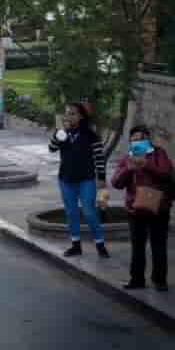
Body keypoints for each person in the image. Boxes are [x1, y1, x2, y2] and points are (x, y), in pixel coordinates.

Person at [112, 126, 175, 291]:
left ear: (148, 139)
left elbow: (166, 173)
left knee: (159, 245)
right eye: (135, 138)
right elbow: (116, 183)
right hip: (135, 208)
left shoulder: (158, 153)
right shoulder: (127, 158)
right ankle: (137, 279)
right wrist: (128, 169)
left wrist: (146, 164)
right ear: (131, 141)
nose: (138, 141)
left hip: (158, 207)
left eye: (142, 137)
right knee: (137, 246)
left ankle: (160, 281)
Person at [50, 102, 109, 258]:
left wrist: (102, 178)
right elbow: (51, 148)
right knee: (71, 213)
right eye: (67, 113)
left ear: (81, 116)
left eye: (73, 113)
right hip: (65, 179)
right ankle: (76, 245)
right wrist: (59, 133)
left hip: (86, 180)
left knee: (89, 212)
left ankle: (100, 244)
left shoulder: (90, 135)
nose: (69, 116)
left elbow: (99, 158)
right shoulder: (62, 133)